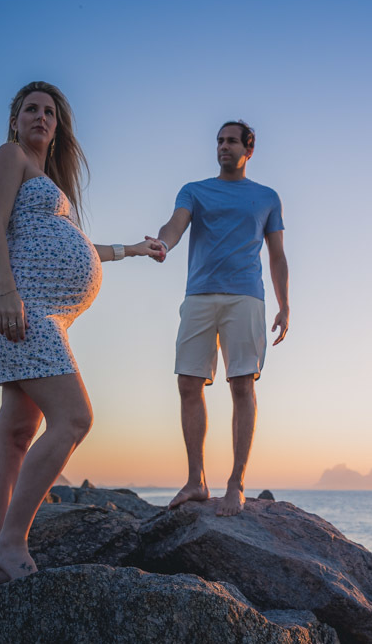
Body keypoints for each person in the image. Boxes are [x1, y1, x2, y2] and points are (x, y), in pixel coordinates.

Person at [0, 81, 161, 583]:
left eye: (50, 113)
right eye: (31, 109)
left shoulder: (50, 185)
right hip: (23, 308)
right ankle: (13, 540)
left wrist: (132, 251)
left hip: (43, 314)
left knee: (16, 434)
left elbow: (82, 248)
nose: (41, 117)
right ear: (15, 119)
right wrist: (8, 292)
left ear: (58, 128)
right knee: (75, 418)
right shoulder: (10, 156)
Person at [148, 120, 289, 516]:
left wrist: (285, 304)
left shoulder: (267, 197)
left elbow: (277, 255)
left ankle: (236, 483)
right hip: (199, 296)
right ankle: (196, 481)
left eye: (231, 141)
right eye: (219, 141)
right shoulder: (195, 190)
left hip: (246, 298)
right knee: (188, 383)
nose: (223, 147)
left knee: (242, 386)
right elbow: (175, 225)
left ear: (249, 148)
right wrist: (163, 243)